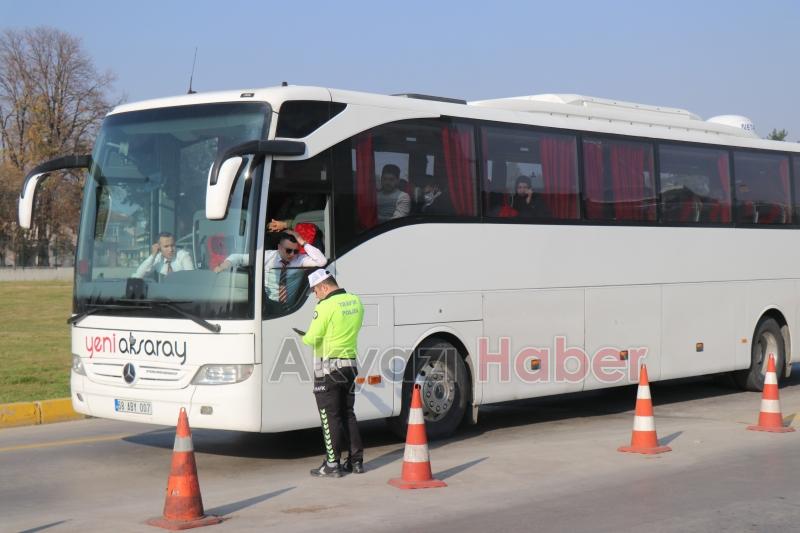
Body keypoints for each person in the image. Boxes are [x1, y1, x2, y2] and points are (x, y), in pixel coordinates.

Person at [302, 269, 365, 478]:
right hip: (350, 365)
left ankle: (332, 464)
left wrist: (305, 337)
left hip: (328, 369)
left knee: (329, 416)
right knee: (348, 413)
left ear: (324, 287)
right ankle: (356, 461)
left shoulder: (325, 306)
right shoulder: (355, 301)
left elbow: (312, 338)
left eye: (315, 291)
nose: (315, 296)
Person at [214, 229, 326, 308]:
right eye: (288, 250)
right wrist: (222, 267)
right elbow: (238, 258)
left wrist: (301, 241)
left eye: (295, 251)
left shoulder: (300, 259)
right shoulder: (268, 256)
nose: (292, 254)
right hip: (267, 304)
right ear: (279, 247)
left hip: (290, 307)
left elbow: (322, 261)